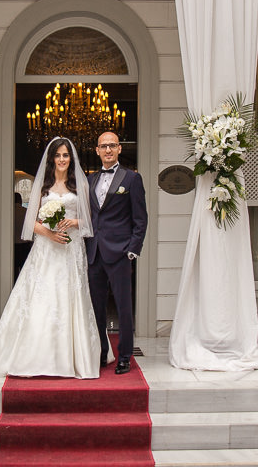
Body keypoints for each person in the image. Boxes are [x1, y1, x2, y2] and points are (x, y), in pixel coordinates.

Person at [0, 138, 105, 379]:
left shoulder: (79, 186)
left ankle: (73, 356)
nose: (62, 159)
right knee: (43, 296)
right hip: (46, 250)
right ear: (51, 159)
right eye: (58, 155)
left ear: (72, 159)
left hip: (71, 250)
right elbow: (31, 223)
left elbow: (91, 221)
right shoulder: (42, 187)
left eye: (66, 155)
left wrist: (74, 222)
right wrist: (49, 234)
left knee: (70, 295)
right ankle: (36, 354)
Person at [86, 131, 148, 375]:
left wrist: (132, 250)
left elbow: (140, 219)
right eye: (103, 146)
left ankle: (125, 356)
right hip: (94, 253)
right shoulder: (89, 180)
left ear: (120, 149)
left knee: (123, 307)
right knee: (96, 307)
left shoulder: (132, 179)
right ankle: (102, 352)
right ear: (97, 150)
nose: (108, 150)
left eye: (112, 145)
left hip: (121, 253)